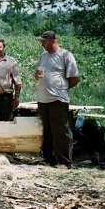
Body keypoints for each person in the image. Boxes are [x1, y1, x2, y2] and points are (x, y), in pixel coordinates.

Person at [35, 30, 80, 167]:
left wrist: (61, 89)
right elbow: (40, 74)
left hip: (58, 99)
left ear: (53, 41)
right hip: (43, 99)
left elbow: (74, 79)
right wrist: (37, 76)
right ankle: (48, 159)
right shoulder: (43, 56)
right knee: (46, 130)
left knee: (61, 131)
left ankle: (64, 161)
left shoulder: (65, 55)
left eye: (44, 41)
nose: (41, 43)